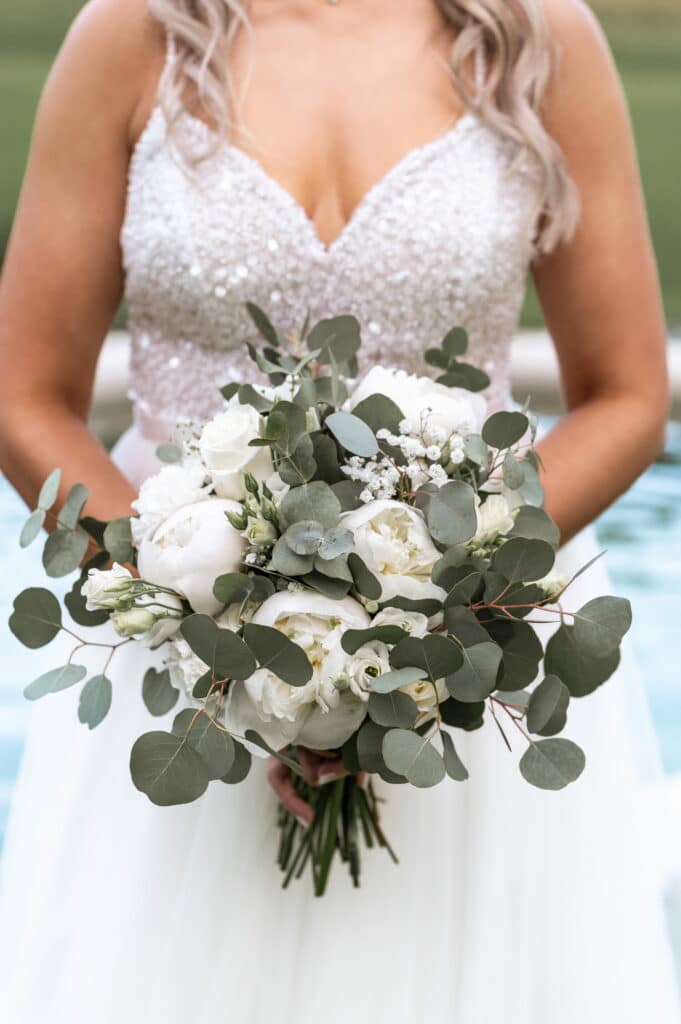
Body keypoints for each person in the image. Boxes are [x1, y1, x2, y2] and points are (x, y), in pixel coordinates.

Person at [0, 1, 678, 1021]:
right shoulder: (135, 34)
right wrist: (214, 626)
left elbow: (628, 393)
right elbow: (22, 392)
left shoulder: (540, 38)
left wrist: (436, 606)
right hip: (181, 688)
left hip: (466, 681)